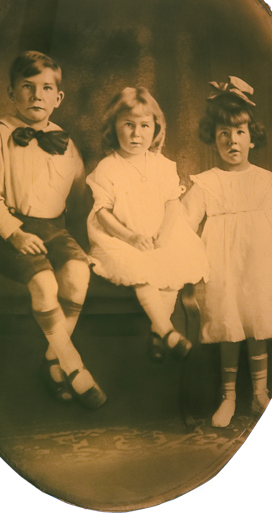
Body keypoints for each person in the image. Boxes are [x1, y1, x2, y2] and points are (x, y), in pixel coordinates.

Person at [0, 51, 104, 409]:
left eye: (46, 88)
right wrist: (15, 233)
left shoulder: (64, 141)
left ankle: (52, 359)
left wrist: (92, 244)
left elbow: (80, 197)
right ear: (11, 92)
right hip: (11, 231)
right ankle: (73, 366)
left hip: (54, 229)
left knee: (78, 274)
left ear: (58, 98)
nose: (37, 96)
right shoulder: (1, 136)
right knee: (46, 284)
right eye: (27, 87)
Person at [182, 77, 272, 428]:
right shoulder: (206, 182)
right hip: (222, 263)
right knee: (229, 324)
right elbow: (183, 222)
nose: (233, 141)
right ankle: (228, 397)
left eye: (240, 132)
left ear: (252, 136)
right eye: (224, 134)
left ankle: (260, 394)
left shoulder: (263, 179)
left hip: (258, 262)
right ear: (213, 138)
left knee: (256, 322)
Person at [86, 87, 209, 363]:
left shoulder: (162, 165)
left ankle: (157, 332)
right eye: (128, 125)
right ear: (114, 127)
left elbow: (172, 202)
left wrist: (164, 235)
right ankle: (167, 331)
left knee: (172, 268)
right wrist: (130, 237)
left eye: (144, 126)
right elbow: (103, 212)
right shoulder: (108, 167)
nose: (136, 134)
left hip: (161, 231)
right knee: (139, 269)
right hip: (120, 235)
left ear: (156, 128)